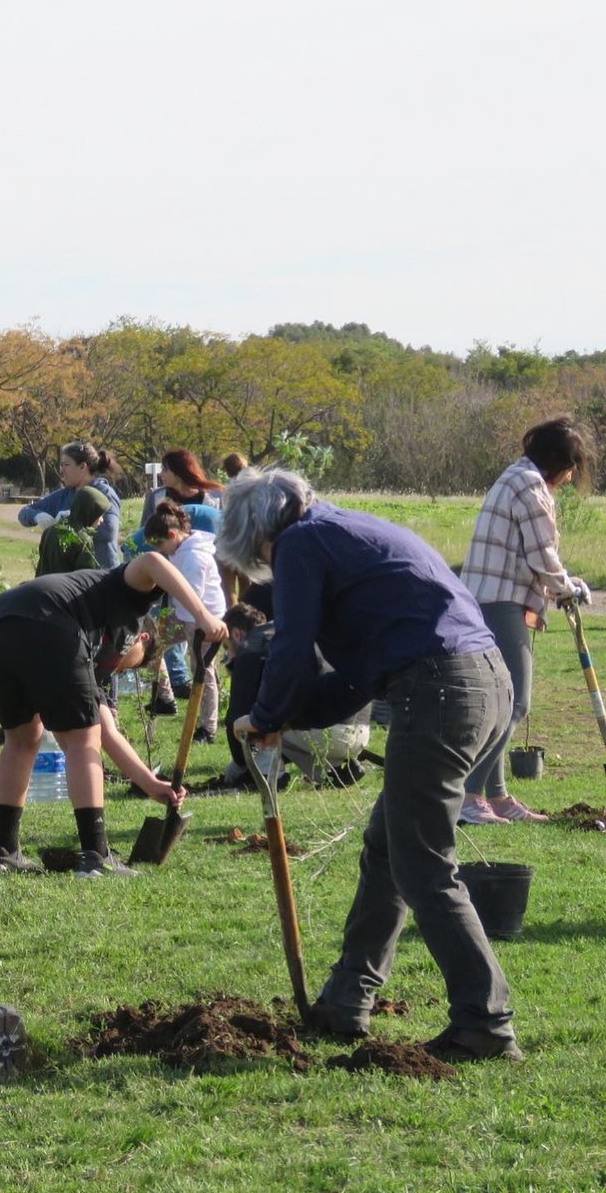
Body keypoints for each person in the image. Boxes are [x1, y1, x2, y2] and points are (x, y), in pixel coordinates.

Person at [219, 466, 519, 1062]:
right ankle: (347, 999)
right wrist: (286, 719)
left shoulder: (302, 542)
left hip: (440, 690)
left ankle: (486, 1023)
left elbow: (292, 645)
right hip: (484, 684)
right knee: (390, 848)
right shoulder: (344, 531)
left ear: (257, 532)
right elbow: (358, 678)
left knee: (422, 862)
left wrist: (266, 710)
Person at [0, 555, 229, 879]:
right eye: (133, 664)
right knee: (82, 740)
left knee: (23, 739)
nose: (122, 669)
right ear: (142, 639)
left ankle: (2, 855)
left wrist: (149, 782)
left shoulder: (95, 657)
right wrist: (204, 616)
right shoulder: (128, 598)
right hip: (47, 620)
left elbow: (109, 732)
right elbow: (151, 560)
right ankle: (96, 858)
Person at [459, 417, 594, 826]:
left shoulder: (516, 476)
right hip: (498, 601)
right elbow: (541, 556)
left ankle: (496, 797)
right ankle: (468, 796)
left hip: (491, 598)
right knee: (515, 701)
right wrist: (568, 588)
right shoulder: (531, 487)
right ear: (558, 462)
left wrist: (564, 585)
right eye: (571, 468)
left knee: (502, 700)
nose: (570, 478)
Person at [214, 601, 370, 789]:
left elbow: (236, 719)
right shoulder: (286, 631)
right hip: (359, 728)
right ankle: (334, 771)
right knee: (285, 716)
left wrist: (238, 768)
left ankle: (269, 775)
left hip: (329, 728)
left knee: (261, 721)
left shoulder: (251, 648)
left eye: (226, 646)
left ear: (237, 635)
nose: (228, 654)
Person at [141, 502, 227, 742]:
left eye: (160, 545)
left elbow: (192, 596)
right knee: (150, 647)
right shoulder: (177, 550)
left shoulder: (195, 557)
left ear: (172, 534)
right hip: (182, 614)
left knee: (202, 670)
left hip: (204, 619)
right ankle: (165, 698)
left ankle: (207, 728)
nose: (160, 551)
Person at [18, 441, 122, 569]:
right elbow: (24, 513)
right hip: (72, 577)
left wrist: (70, 522)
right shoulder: (64, 495)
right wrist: (38, 516)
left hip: (102, 575)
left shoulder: (104, 493)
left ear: (83, 467)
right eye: (61, 465)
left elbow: (109, 531)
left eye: (66, 465)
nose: (61, 470)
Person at [35, 486, 108, 577]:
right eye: (99, 514)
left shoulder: (50, 531)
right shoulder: (83, 540)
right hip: (67, 590)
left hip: (41, 587)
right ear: (89, 511)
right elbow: (85, 580)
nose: (102, 520)